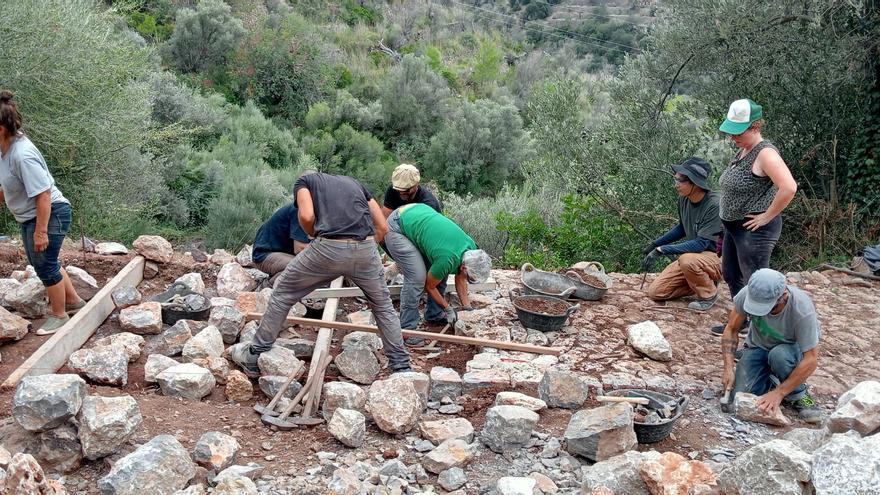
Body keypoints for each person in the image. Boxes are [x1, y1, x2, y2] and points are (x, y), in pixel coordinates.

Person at [230, 171, 411, 376]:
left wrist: (315, 235)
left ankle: (255, 356)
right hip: (366, 249)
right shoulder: (354, 182)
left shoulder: (305, 181)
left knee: (283, 292)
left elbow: (307, 216)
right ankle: (401, 366)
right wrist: (366, 248)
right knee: (383, 306)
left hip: (329, 247)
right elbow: (383, 226)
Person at [0, 91, 84, 335]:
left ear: (2, 128)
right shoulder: (4, 149)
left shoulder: (22, 154)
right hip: (31, 214)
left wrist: (41, 232)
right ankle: (74, 301)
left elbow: (43, 195)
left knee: (45, 266)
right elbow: (12, 187)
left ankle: (59, 316)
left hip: (50, 212)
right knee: (48, 262)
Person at [711, 99, 797, 335]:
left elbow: (788, 187)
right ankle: (745, 320)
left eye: (738, 132)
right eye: (731, 132)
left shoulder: (766, 153)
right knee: (730, 273)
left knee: (757, 284)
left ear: (755, 127)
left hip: (754, 230)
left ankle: (764, 335)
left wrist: (766, 217)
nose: (733, 137)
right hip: (734, 227)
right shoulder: (744, 149)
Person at [720, 269, 821, 423]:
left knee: (779, 356)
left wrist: (778, 394)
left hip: (789, 352)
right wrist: (728, 369)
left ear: (784, 296)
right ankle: (773, 379)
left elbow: (811, 360)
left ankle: (801, 395)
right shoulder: (746, 294)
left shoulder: (802, 309)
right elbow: (731, 329)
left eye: (769, 307)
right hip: (758, 348)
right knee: (740, 398)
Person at [384, 203, 491, 335]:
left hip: (418, 213)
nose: (468, 279)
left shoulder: (471, 250)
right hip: (397, 225)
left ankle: (433, 315)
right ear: (464, 266)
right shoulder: (447, 258)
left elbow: (461, 278)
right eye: (470, 277)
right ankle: (407, 330)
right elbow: (429, 286)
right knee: (417, 278)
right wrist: (448, 308)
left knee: (439, 272)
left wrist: (467, 308)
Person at [642, 157, 723, 311]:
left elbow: (701, 243)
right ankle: (701, 281)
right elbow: (682, 228)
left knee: (686, 260)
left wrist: (662, 250)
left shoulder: (714, 204)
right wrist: (655, 243)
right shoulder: (684, 199)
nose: (676, 184)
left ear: (694, 183)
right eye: (676, 179)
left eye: (680, 180)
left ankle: (708, 295)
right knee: (656, 292)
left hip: (716, 257)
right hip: (696, 258)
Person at [251, 203, 310, 284]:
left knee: (308, 267)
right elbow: (300, 248)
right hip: (265, 254)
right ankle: (267, 287)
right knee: (299, 267)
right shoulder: (301, 210)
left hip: (285, 254)